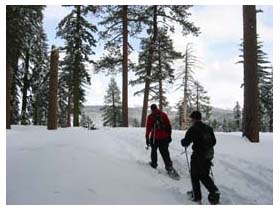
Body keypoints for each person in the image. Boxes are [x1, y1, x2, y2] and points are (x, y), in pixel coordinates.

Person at [181, 110, 220, 204]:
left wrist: (183, 141)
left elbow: (185, 142)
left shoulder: (193, 129)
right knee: (204, 174)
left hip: (198, 155)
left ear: (193, 119)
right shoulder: (208, 128)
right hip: (208, 155)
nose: (191, 120)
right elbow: (214, 141)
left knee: (195, 175)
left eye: (191, 119)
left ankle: (198, 196)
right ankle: (213, 192)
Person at [145, 104, 175, 173]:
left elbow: (148, 128)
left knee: (154, 151)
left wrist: (147, 137)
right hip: (164, 137)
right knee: (165, 152)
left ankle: (154, 164)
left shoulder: (150, 117)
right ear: (157, 108)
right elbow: (168, 126)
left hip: (154, 137)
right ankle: (169, 166)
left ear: (152, 109)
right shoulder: (163, 114)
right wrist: (169, 136)